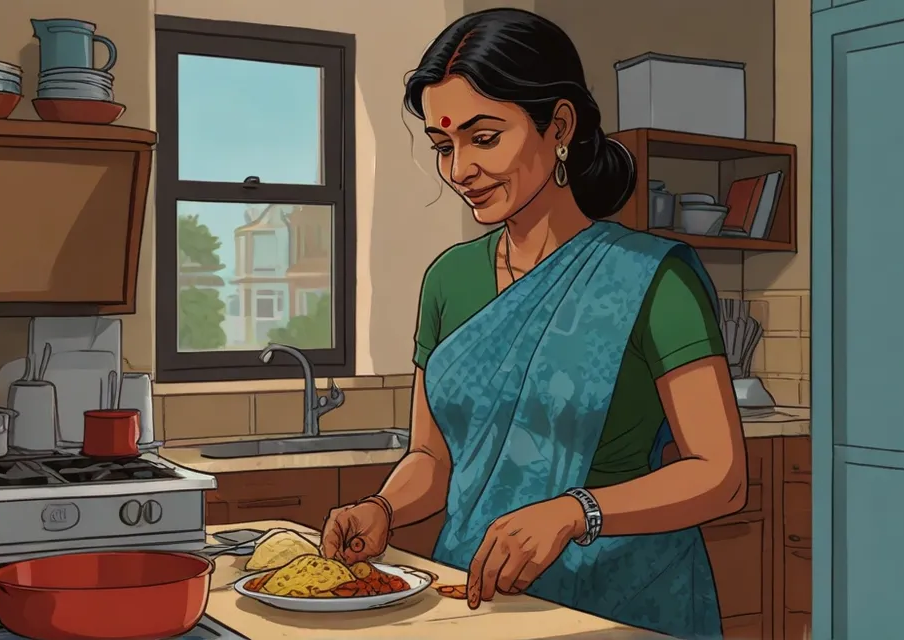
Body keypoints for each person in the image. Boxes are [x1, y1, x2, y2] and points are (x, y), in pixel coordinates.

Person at [320, 8, 747, 639]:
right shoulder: (449, 280)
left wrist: (578, 512)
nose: (459, 168)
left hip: (622, 601)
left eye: (483, 137)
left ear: (560, 126)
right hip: (476, 594)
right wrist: (382, 507)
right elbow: (431, 459)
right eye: (444, 146)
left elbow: (720, 474)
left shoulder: (653, 277)